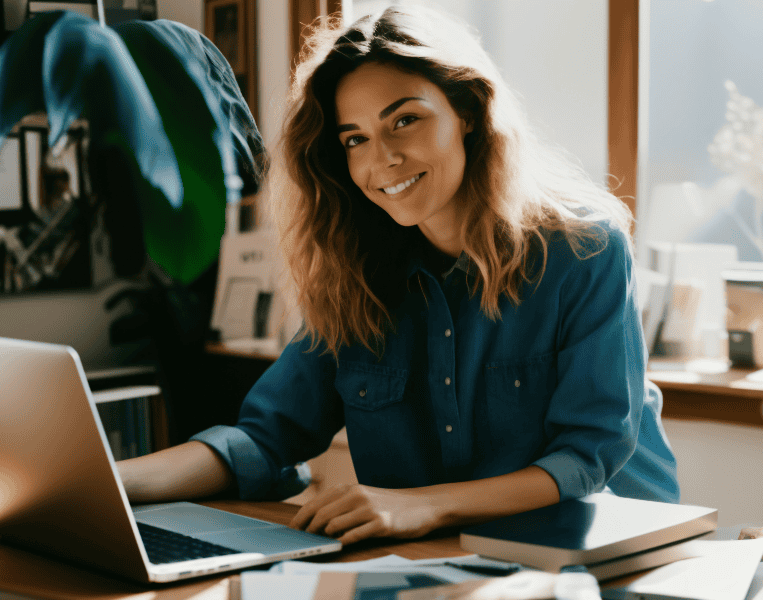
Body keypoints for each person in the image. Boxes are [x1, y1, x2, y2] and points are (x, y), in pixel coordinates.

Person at [117, 5, 679, 546]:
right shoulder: (356, 272)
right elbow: (264, 439)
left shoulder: (585, 250)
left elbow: (586, 459)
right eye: (355, 139)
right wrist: (111, 482)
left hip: (605, 557)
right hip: (443, 558)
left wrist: (424, 505)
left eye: (404, 120)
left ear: (468, 112)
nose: (380, 159)